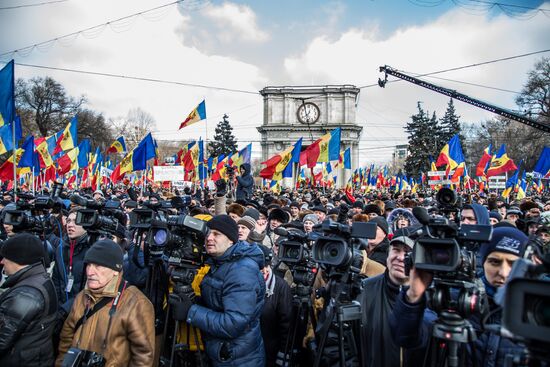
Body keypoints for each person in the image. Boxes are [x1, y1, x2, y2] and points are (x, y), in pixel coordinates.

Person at [390, 227, 529, 366]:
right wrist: (414, 295)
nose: (503, 273)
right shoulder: (453, 299)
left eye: (513, 263)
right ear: (482, 262)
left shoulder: (535, 311)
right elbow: (405, 337)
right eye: (495, 262)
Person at [171, 214, 266, 366]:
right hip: (223, 353)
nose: (209, 238)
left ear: (231, 240)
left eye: (217, 234)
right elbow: (218, 302)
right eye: (208, 233)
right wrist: (192, 301)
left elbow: (233, 323)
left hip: (238, 359)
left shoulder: (242, 271)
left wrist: (191, 311)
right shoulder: (219, 263)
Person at [56, 239, 155, 366]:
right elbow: (66, 339)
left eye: (98, 265)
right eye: (88, 265)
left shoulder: (136, 303)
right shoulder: (82, 297)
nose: (90, 272)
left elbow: (143, 357)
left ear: (115, 270)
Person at [358, 232, 421, 367]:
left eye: (408, 252)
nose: (400, 257)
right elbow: (342, 341)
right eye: (396, 250)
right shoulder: (365, 289)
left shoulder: (430, 297)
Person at [0, 233, 58, 366]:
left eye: (5, 257)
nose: (2, 261)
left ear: (18, 259)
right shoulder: (40, 279)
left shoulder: (25, 295)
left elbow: (2, 339)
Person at [258, 245, 292, 367]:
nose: (263, 271)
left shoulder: (280, 287)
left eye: (265, 266)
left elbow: (286, 323)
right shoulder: (244, 283)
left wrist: (283, 353)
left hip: (270, 350)